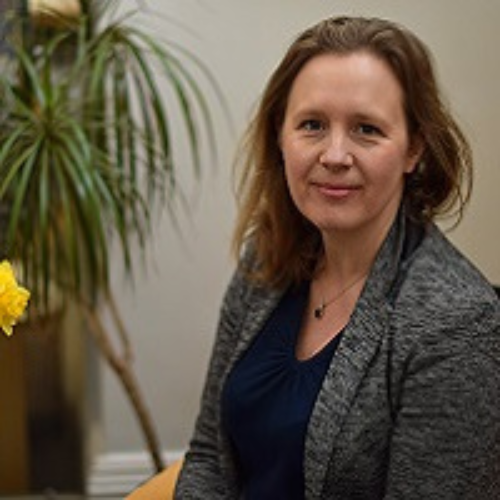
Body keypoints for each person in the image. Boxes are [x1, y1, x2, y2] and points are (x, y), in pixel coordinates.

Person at [175, 16, 500, 499]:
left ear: (414, 148)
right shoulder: (264, 262)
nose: (334, 154)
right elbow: (208, 455)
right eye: (312, 125)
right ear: (280, 138)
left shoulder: (456, 324)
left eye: (366, 129)